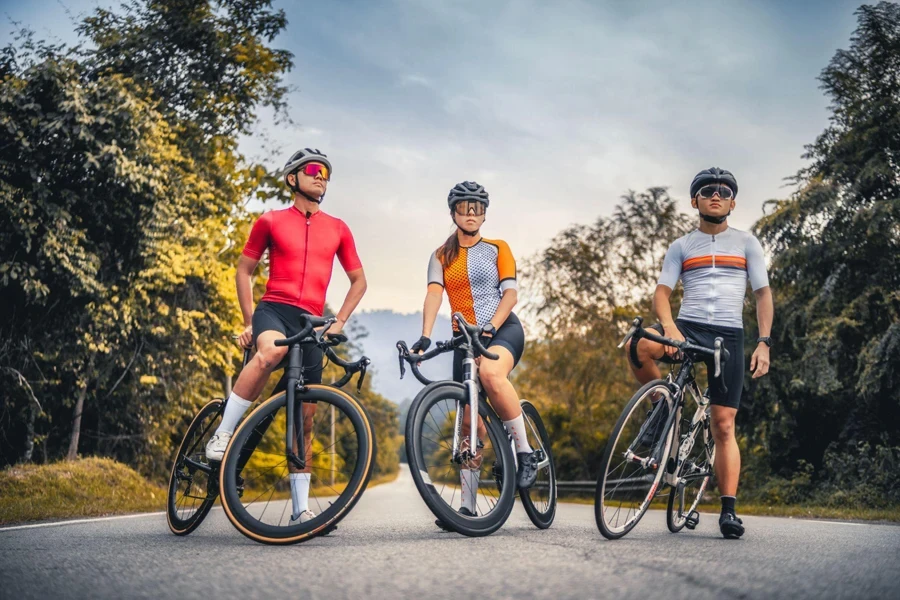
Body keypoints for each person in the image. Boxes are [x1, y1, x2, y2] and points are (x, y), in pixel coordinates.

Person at [205, 148, 367, 525]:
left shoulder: (338, 228)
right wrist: (248, 322)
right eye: (314, 170)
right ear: (293, 178)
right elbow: (244, 271)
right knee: (268, 354)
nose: (322, 177)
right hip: (274, 309)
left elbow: (359, 281)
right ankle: (223, 435)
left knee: (305, 418)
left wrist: (339, 321)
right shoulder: (271, 221)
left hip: (311, 323)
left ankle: (300, 509)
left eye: (327, 173)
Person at [626, 167, 773, 539]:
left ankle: (728, 510)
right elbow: (662, 292)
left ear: (732, 202)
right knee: (639, 344)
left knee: (723, 425)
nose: (716, 195)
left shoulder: (746, 243)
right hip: (688, 327)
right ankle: (661, 407)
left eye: (724, 191)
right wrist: (670, 326)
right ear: (695, 200)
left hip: (729, 336)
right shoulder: (681, 246)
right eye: (708, 190)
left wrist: (764, 342)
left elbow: (762, 295)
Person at [412, 180, 539, 524]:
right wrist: (425, 336)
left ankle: (526, 454)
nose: (471, 214)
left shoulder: (498, 248)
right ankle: (467, 507)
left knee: (491, 374)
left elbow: (510, 295)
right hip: (463, 340)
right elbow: (434, 295)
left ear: (484, 213)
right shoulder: (441, 255)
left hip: (501, 329)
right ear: (453, 212)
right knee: (470, 424)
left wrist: (491, 327)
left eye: (478, 208)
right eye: (465, 207)